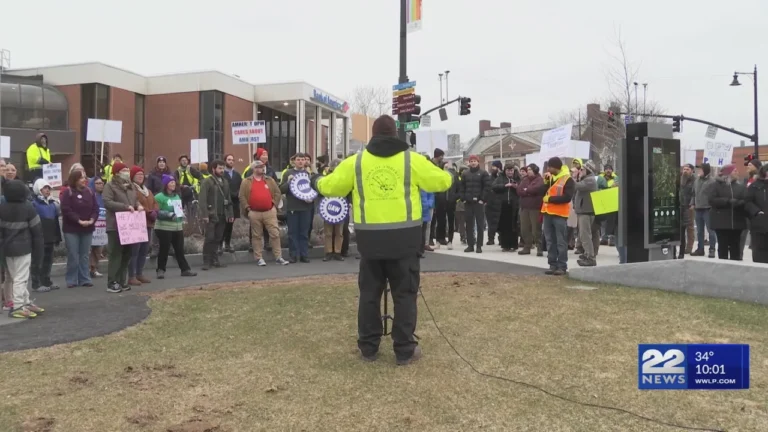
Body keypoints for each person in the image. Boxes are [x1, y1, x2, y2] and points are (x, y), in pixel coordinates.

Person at [314, 114, 453, 366]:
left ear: (373, 135)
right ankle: (404, 349)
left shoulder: (356, 162)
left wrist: (317, 180)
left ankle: (368, 347)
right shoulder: (412, 160)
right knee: (405, 295)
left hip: (370, 244)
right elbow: (442, 182)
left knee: (369, 295)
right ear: (396, 134)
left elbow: (330, 187)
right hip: (405, 242)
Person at [0, 180, 45, 318]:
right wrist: (39, 251)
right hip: (23, 248)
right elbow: (37, 230)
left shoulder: (2, 207)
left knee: (14, 276)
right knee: (21, 277)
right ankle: (19, 305)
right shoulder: (28, 207)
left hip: (6, 248)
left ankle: (25, 302)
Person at [239, 160, 288, 266]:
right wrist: (247, 208)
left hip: (269, 212)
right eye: (258, 167)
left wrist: (274, 205)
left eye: (262, 166)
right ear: (253, 169)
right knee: (256, 236)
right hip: (254, 212)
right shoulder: (246, 181)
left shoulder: (269, 180)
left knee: (275, 234)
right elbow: (242, 196)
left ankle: (278, 257)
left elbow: (277, 192)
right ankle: (259, 258)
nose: (261, 168)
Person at [103, 161, 142, 293]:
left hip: (129, 226)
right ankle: (112, 281)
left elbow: (135, 199)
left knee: (127, 254)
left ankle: (121, 280)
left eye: (127, 169)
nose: (127, 172)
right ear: (117, 172)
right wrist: (124, 207)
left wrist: (138, 205)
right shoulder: (110, 186)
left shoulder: (130, 186)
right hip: (115, 225)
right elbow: (108, 202)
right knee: (116, 254)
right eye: (124, 170)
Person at [60, 169, 100, 288]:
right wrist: (79, 220)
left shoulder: (90, 192)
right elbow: (66, 209)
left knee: (84, 254)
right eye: (81, 177)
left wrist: (92, 220)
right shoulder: (68, 192)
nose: (85, 180)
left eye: (85, 177)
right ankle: (71, 279)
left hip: (87, 228)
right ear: (75, 179)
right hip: (71, 229)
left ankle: (84, 278)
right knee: (73, 254)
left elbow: (95, 208)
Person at [154, 175, 197, 279]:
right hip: (164, 227)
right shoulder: (159, 197)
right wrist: (168, 214)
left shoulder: (176, 196)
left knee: (179, 250)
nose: (173, 184)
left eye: (174, 182)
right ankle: (160, 270)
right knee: (164, 249)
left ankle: (185, 269)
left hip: (177, 227)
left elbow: (178, 209)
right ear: (165, 184)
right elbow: (156, 212)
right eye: (170, 182)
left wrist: (182, 214)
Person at [542, 157, 575, 276]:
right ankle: (552, 264)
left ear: (555, 167)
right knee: (550, 241)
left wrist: (550, 199)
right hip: (547, 213)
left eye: (549, 167)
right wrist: (545, 183)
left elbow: (567, 197)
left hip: (560, 214)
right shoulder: (550, 178)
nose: (548, 169)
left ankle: (562, 266)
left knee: (561, 241)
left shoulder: (568, 179)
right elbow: (543, 192)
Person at [198, 159, 234, 270]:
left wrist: (230, 213)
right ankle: (206, 261)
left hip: (222, 215)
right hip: (211, 215)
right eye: (219, 168)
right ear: (213, 169)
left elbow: (228, 199)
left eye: (223, 168)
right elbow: (202, 199)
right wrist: (205, 214)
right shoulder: (207, 181)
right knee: (209, 238)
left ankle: (215, 260)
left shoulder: (225, 182)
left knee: (218, 238)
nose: (222, 170)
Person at [280, 153, 315, 263]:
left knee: (304, 233)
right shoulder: (288, 173)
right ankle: (293, 255)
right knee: (292, 233)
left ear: (305, 161)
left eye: (302, 160)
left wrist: (311, 198)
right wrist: (288, 182)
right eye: (298, 160)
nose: (300, 162)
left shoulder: (308, 174)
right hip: (293, 207)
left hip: (306, 207)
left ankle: (304, 255)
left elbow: (314, 189)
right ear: (294, 161)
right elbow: (281, 189)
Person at [707, 164, 747, 260]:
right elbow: (712, 200)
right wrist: (727, 201)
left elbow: (746, 199)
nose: (737, 172)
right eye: (734, 171)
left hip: (737, 222)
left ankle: (736, 267)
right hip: (721, 222)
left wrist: (740, 202)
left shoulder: (740, 187)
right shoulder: (715, 185)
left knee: (736, 247)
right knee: (723, 247)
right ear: (728, 173)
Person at [128, 166, 158, 285]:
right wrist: (148, 212)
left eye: (142, 174)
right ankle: (132, 275)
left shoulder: (147, 190)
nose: (140, 177)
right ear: (132, 177)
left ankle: (139, 273)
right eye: (137, 175)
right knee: (135, 250)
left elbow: (154, 202)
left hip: (148, 224)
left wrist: (155, 211)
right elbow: (136, 203)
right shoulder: (131, 189)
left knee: (144, 250)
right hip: (137, 223)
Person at [30, 179, 62, 292]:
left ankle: (46, 281)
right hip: (40, 237)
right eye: (45, 188)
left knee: (48, 260)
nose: (47, 190)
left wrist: (57, 237)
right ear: (38, 189)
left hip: (51, 236)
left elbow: (56, 223)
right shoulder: (34, 204)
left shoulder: (53, 204)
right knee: (38, 261)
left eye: (48, 188)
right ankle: (36, 283)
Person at [459, 155, 491, 253]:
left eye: (475, 161)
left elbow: (487, 187)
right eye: (471, 161)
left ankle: (479, 246)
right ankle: (470, 245)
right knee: (469, 224)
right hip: (468, 202)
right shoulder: (465, 173)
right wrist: (463, 198)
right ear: (469, 162)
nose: (473, 163)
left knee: (480, 225)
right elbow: (462, 187)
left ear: (478, 162)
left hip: (479, 203)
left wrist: (482, 199)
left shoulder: (483, 173)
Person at [573, 160, 600, 266]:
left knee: (585, 235)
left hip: (586, 212)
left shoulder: (589, 180)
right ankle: (589, 254)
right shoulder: (587, 179)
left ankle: (590, 257)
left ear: (588, 170)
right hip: (585, 211)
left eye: (582, 169)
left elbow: (576, 186)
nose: (580, 171)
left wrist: (574, 177)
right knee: (590, 234)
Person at [320, 159, 347, 262]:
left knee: (339, 232)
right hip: (328, 207)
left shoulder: (344, 178)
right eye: (334, 166)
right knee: (328, 232)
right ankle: (328, 252)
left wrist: (348, 202)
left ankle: (337, 252)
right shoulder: (326, 177)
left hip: (341, 207)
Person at [491, 163, 521, 252]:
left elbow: (522, 189)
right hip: (503, 205)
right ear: (505, 171)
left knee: (513, 226)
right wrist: (504, 186)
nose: (510, 172)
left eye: (511, 170)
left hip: (514, 205)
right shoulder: (500, 178)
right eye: (508, 170)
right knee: (504, 226)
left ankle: (514, 245)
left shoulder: (517, 178)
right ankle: (505, 245)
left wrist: (516, 187)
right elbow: (493, 187)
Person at [691, 162, 717, 258]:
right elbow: (694, 194)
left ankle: (712, 249)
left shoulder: (712, 181)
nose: (699, 171)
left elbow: (715, 195)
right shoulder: (696, 181)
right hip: (698, 209)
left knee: (711, 231)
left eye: (701, 169)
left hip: (708, 209)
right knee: (699, 231)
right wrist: (692, 203)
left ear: (705, 170)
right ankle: (700, 249)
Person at [517, 164, 545, 256]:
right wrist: (528, 191)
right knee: (524, 229)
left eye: (530, 169)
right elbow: (519, 190)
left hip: (535, 208)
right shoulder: (525, 180)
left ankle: (539, 247)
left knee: (536, 229)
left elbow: (536, 189)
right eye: (528, 169)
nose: (528, 171)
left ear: (535, 170)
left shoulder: (540, 180)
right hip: (524, 208)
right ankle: (527, 247)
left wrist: (527, 191)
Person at [744, 164, 768, 263]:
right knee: (759, 253)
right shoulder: (755, 186)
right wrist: (757, 212)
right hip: (759, 225)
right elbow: (747, 202)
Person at [221, 154, 242, 253]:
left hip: (234, 202)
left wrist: (238, 194)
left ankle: (227, 244)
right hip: (224, 203)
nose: (231, 161)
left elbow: (241, 186)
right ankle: (219, 245)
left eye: (232, 160)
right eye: (229, 160)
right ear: (225, 161)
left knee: (230, 225)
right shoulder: (222, 174)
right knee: (223, 225)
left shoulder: (237, 175)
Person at [88, 176, 106, 278]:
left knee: (98, 249)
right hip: (92, 226)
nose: (101, 185)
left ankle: (94, 269)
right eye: (98, 183)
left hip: (102, 227)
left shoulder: (104, 196)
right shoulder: (90, 196)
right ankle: (87, 268)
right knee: (89, 249)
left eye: (102, 183)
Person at [678, 164, 696, 258]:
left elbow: (694, 193)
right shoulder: (680, 179)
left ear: (692, 171)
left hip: (689, 206)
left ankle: (689, 247)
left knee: (690, 227)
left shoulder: (694, 180)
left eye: (687, 169)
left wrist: (692, 204)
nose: (685, 171)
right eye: (684, 169)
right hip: (680, 206)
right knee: (680, 228)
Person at [485, 160, 504, 245]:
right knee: (490, 222)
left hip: (500, 203)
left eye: (494, 166)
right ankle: (491, 239)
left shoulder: (502, 177)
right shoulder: (489, 178)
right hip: (490, 203)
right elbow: (486, 189)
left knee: (500, 222)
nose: (492, 168)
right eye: (492, 166)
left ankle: (501, 239)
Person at [419, 187, 435, 258]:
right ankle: (419, 246)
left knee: (427, 225)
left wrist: (429, 204)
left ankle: (426, 244)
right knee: (420, 227)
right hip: (419, 207)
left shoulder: (428, 184)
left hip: (428, 207)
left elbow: (431, 195)